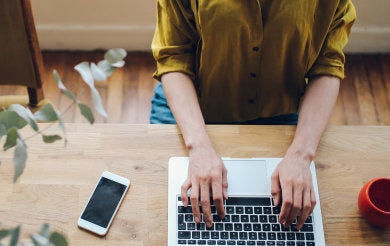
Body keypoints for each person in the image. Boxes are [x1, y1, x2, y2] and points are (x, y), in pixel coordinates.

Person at [151, 0, 356, 230]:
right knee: (161, 215)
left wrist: (301, 155)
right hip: (193, 105)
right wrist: (199, 147)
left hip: (280, 111)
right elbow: (174, 57)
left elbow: (327, 64)